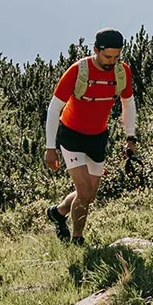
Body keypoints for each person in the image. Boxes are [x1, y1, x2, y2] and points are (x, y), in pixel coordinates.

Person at [44, 28, 137, 245]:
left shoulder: (121, 73)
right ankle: (78, 239)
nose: (111, 62)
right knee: (83, 192)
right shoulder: (78, 71)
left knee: (89, 196)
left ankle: (58, 212)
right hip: (72, 136)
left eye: (116, 57)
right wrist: (50, 147)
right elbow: (53, 109)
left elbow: (128, 103)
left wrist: (130, 138)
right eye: (107, 57)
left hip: (98, 137)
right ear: (96, 50)